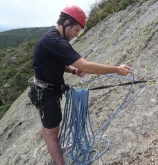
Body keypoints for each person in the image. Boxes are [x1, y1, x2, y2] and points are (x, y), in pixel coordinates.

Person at [28, 5, 131, 165]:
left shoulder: (54, 38)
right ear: (67, 22)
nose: (76, 35)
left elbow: (53, 62)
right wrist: (116, 69)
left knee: (50, 128)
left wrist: (73, 71)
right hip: (45, 93)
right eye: (76, 30)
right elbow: (86, 65)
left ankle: (53, 145)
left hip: (48, 90)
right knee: (52, 134)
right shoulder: (55, 41)